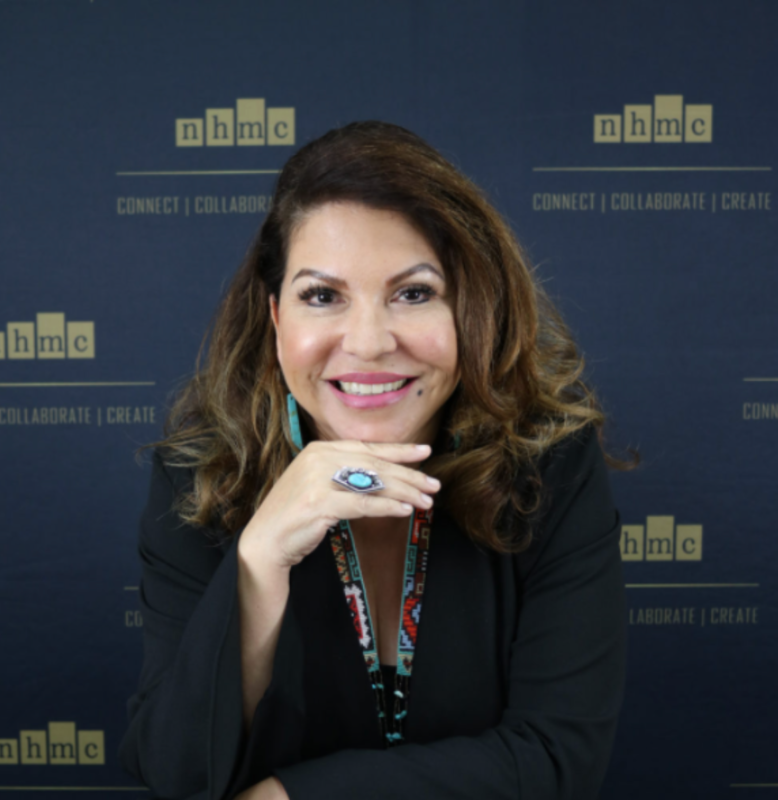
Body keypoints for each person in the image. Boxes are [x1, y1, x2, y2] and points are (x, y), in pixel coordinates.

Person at [118, 121, 630, 800]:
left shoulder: (549, 466)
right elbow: (178, 775)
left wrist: (288, 797)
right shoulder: (200, 477)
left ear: (472, 309)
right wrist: (258, 563)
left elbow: (558, 759)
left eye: (413, 293)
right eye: (322, 296)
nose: (367, 343)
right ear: (276, 320)